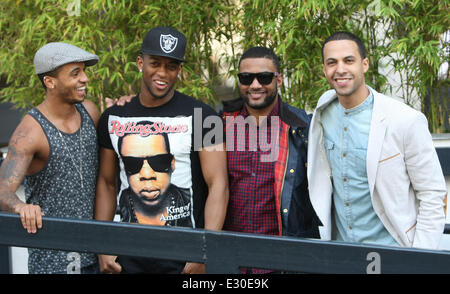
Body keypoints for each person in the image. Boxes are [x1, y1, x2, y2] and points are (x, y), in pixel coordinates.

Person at [95, 26, 229, 274]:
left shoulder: (205, 117)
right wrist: (103, 246)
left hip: (185, 257)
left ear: (180, 70)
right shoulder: (112, 118)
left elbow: (218, 184)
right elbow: (106, 183)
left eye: (171, 66)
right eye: (155, 63)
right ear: (139, 62)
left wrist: (205, 252)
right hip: (127, 257)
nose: (162, 73)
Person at [307, 31, 447, 249]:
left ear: (365, 64)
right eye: (332, 62)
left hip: (394, 251)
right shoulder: (323, 112)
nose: (340, 69)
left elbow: (432, 194)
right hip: (341, 251)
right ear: (324, 69)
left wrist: (420, 257)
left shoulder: (405, 120)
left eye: (349, 60)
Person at [0, 42, 100, 273]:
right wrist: (20, 206)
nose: (85, 78)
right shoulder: (30, 132)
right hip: (52, 260)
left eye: (84, 70)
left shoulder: (90, 111)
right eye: (75, 73)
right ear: (50, 82)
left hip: (94, 250)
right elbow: (3, 189)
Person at [221, 46, 321, 274]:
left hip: (285, 259)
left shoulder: (304, 127)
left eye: (264, 77)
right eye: (246, 78)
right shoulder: (219, 125)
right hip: (231, 259)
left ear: (279, 79)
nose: (255, 85)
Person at [117, 120, 191, 227]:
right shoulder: (110, 116)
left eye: (159, 162)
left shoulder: (200, 115)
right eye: (133, 164)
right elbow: (106, 183)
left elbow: (218, 184)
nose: (147, 175)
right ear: (123, 166)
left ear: (172, 164)